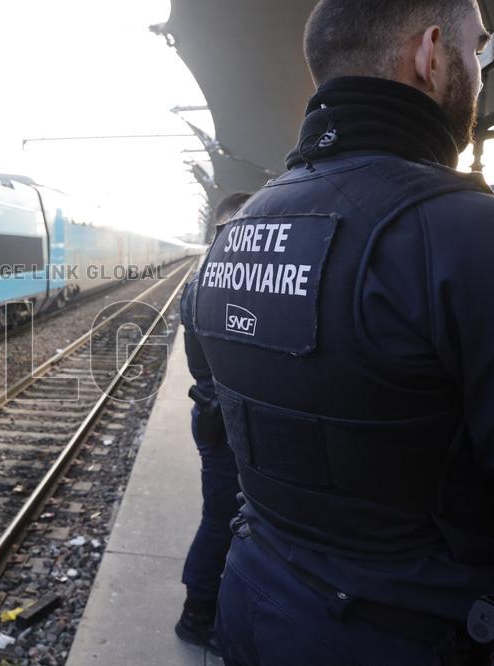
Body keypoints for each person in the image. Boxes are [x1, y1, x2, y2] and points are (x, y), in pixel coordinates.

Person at [192, 1, 494, 664]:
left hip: (254, 606)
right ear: (431, 53)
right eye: (476, 51)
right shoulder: (466, 235)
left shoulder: (236, 232)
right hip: (407, 637)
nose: (478, 69)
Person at [175, 192, 252, 654]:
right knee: (219, 517)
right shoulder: (214, 282)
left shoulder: (204, 275)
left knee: (223, 515)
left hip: (214, 415)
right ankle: (196, 614)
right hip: (220, 420)